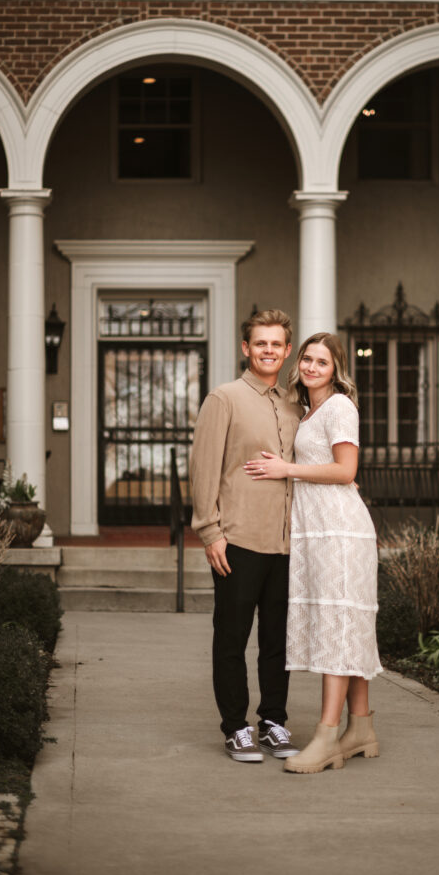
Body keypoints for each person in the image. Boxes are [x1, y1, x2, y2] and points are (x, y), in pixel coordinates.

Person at [244, 332, 382, 774]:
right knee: (346, 625)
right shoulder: (308, 410)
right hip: (320, 530)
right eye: (307, 358)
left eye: (322, 361)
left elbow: (346, 469)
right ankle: (360, 728)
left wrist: (288, 469)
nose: (311, 367)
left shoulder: (339, 405)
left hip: (339, 533)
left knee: (339, 628)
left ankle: (327, 738)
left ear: (336, 368)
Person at [190, 308, 304, 763]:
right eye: (261, 343)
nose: (269, 351)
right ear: (246, 348)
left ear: (287, 349)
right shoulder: (225, 398)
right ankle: (236, 727)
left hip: (286, 543)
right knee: (232, 638)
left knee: (278, 640)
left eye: (277, 344)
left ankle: (274, 721)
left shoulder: (297, 403)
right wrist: (210, 532)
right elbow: (203, 468)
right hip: (237, 540)